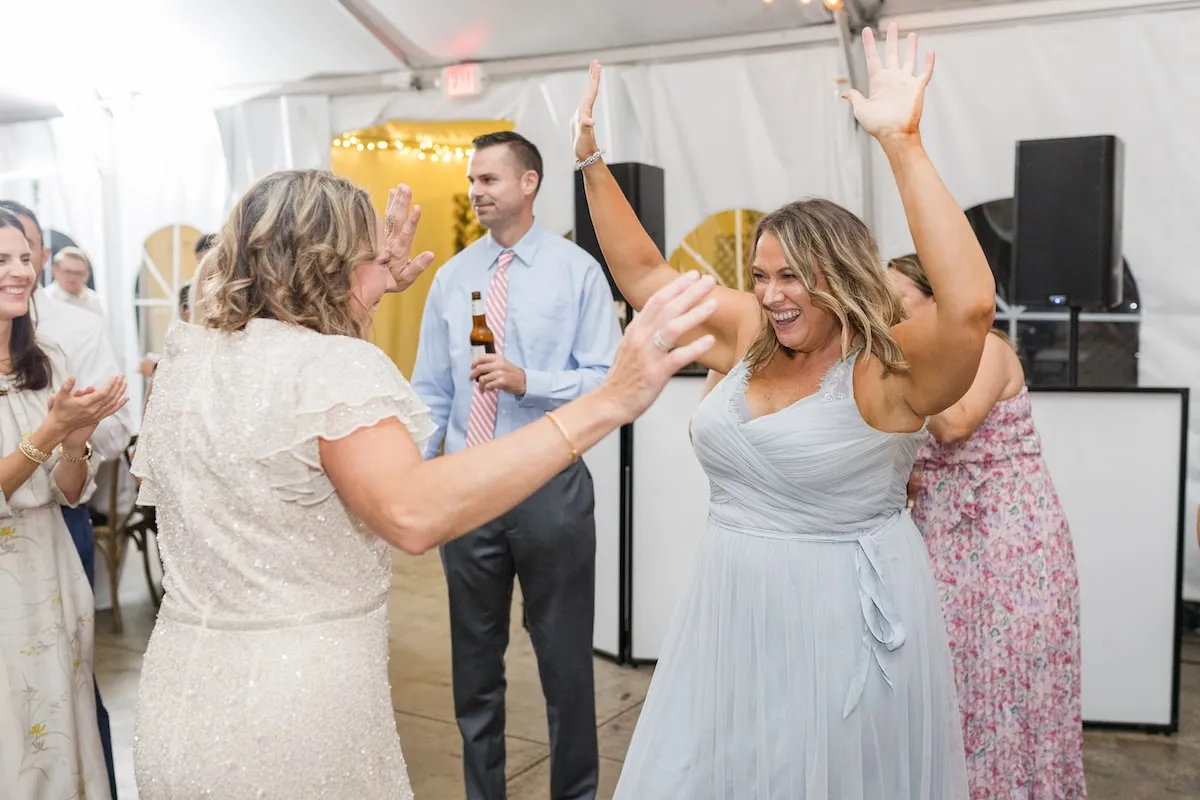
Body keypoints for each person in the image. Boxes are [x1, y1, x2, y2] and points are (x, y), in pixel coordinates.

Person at [129, 170, 717, 799]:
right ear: (330, 264)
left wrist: (359, 296)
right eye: (369, 255)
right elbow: (408, 513)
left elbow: (294, 434)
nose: (383, 270)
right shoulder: (332, 368)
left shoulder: (187, 362)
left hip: (180, 696)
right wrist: (611, 401)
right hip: (292, 713)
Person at [573, 23, 993, 798]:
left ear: (839, 273)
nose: (770, 294)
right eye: (761, 275)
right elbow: (644, 275)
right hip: (730, 607)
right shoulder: (748, 331)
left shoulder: (887, 372)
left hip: (837, 623)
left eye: (792, 276)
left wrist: (902, 143)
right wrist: (590, 162)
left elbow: (968, 307)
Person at [411, 130, 621, 800]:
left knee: (566, 670)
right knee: (473, 674)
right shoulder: (452, 278)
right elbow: (430, 388)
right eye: (472, 181)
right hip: (466, 487)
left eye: (489, 180)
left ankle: (576, 794)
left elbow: (609, 380)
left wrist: (531, 380)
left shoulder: (576, 272)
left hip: (547, 486)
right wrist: (419, 471)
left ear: (529, 183)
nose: (476, 192)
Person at [888, 253, 1087, 798]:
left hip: (1009, 543)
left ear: (937, 299)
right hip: (939, 540)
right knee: (952, 685)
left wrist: (888, 358)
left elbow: (953, 424)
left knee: (1007, 684)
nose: (885, 312)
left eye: (895, 299)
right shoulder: (909, 364)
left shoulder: (989, 351)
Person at [0, 198, 132, 799]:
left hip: (52, 576)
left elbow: (66, 490)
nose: (19, 270)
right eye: (1, 259)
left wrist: (77, 441)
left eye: (25, 257)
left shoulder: (46, 360)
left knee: (63, 729)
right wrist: (48, 434)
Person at [47, 246, 105, 316]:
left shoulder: (94, 301)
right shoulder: (45, 300)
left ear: (86, 275)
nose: (72, 278)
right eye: (67, 272)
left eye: (78, 273)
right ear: (55, 271)